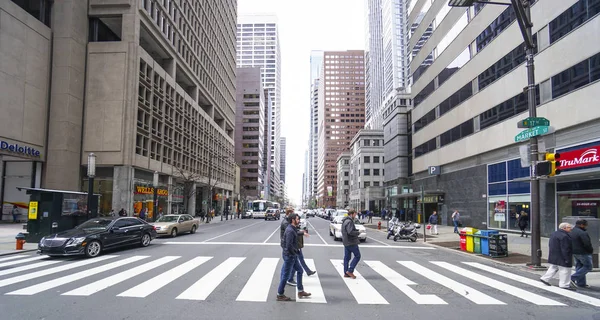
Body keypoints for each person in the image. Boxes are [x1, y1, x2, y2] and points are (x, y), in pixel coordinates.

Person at [276, 212, 311, 301]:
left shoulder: (292, 228)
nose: (299, 220)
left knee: (299, 270)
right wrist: (294, 252)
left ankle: (300, 290)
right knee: (286, 276)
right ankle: (280, 294)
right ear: (293, 220)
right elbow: (288, 245)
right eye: (297, 219)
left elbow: (297, 233)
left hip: (292, 255)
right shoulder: (290, 230)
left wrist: (303, 232)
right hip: (290, 256)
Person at [540, 223, 574, 290]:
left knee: (553, 267)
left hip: (554, 254)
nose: (571, 229)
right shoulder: (565, 236)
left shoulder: (554, 234)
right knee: (565, 270)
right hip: (562, 256)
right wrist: (567, 258)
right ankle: (564, 284)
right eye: (569, 227)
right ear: (564, 228)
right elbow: (565, 248)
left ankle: (545, 278)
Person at [570, 219, 593, 288]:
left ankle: (581, 283)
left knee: (579, 266)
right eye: (585, 225)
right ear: (581, 225)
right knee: (588, 267)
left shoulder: (572, 231)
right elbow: (587, 244)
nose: (586, 226)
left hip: (575, 252)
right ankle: (572, 278)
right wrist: (590, 250)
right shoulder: (582, 233)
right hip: (583, 252)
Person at [342, 209, 361, 279]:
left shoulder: (345, 221)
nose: (355, 216)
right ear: (351, 214)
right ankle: (350, 271)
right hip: (351, 242)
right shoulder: (349, 221)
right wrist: (357, 233)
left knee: (346, 258)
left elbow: (347, 231)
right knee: (357, 256)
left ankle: (346, 272)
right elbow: (350, 232)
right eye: (355, 214)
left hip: (346, 242)